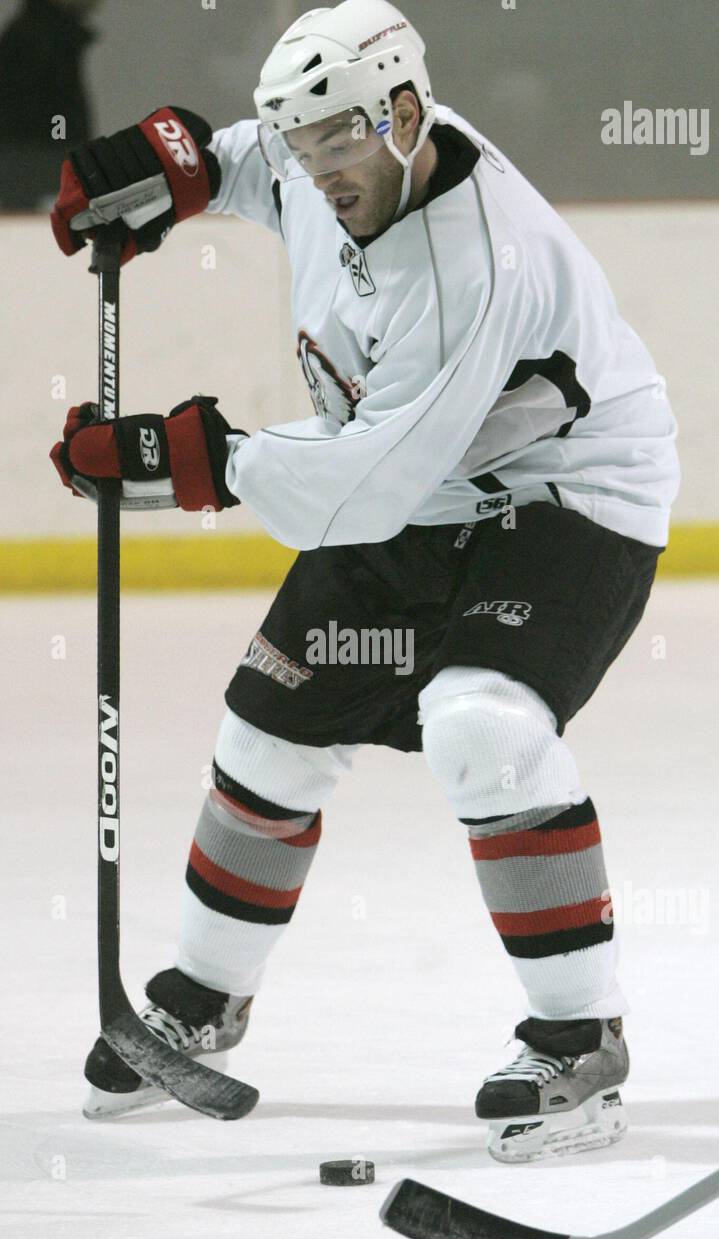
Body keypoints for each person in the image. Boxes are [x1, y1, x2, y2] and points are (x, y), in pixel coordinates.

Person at [49, 0, 679, 1162]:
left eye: (334, 140)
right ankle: (203, 995)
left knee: (481, 725)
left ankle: (576, 1034)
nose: (315, 166)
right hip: (420, 487)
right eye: (302, 141)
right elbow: (250, 161)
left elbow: (370, 479)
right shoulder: (333, 151)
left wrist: (190, 461)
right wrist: (172, 166)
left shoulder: (472, 260)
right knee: (266, 739)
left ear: (403, 113)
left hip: (564, 499)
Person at [0, 0, 99, 209]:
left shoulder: (31, 32)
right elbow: (57, 109)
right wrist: (60, 139)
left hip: (31, 153)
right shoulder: (45, 38)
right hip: (36, 156)